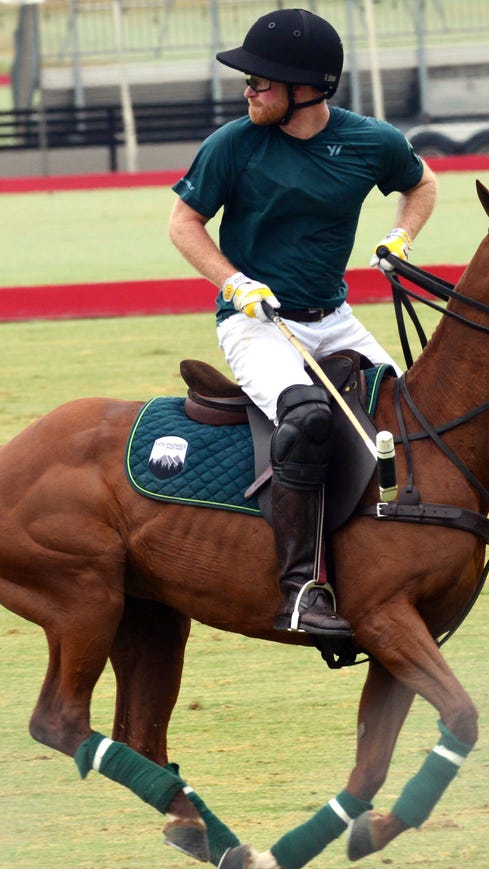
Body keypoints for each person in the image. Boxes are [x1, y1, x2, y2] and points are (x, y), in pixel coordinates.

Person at [168, 8, 437, 638]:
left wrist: (399, 236)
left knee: (415, 414)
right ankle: (301, 591)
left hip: (334, 319)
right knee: (307, 419)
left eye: (260, 81)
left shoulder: (372, 142)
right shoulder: (233, 144)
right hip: (255, 321)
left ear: (306, 88)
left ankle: (401, 553)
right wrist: (234, 281)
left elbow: (422, 186)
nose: (248, 91)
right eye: (250, 81)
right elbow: (183, 223)